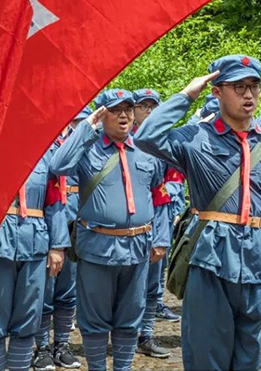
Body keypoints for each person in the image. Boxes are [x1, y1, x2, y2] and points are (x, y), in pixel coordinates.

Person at [134, 54, 261, 371]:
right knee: (208, 355)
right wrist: (186, 95)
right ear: (217, 91)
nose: (248, 94)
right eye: (238, 87)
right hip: (212, 260)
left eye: (254, 86)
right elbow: (146, 136)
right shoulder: (195, 139)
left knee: (253, 358)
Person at [49, 89, 171, 371]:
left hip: (139, 246)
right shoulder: (87, 149)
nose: (125, 114)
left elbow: (159, 194)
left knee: (130, 317)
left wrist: (161, 237)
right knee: (95, 320)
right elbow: (58, 165)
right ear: (102, 114)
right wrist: (87, 128)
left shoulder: (144, 148)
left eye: (129, 108)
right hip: (98, 246)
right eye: (116, 110)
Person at [0, 153, 69, 371]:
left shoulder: (46, 156)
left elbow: (55, 202)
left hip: (35, 245)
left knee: (27, 320)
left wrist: (58, 246)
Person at [33, 107, 92, 371]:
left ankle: (62, 344)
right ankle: (42, 348)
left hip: (75, 222)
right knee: (44, 291)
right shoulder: (41, 141)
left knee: (68, 292)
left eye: (81, 120)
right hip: (45, 221)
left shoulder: (82, 143)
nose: (77, 123)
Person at [130, 88, 179, 357]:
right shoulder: (120, 141)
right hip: (122, 228)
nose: (148, 111)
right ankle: (123, 335)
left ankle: (146, 335)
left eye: (153, 107)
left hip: (153, 223)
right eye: (144, 106)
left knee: (152, 286)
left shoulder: (162, 145)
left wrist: (161, 236)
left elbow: (163, 192)